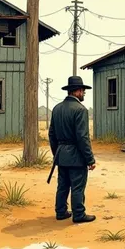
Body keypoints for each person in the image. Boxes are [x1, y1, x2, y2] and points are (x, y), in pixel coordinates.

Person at [48, 75, 96, 223]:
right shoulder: (80, 110)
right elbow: (82, 137)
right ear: (78, 91)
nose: (84, 94)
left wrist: (58, 153)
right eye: (83, 91)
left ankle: (61, 212)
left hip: (61, 155)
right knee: (77, 186)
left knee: (62, 185)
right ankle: (79, 214)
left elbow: (51, 134)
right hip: (76, 156)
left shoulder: (56, 109)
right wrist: (90, 159)